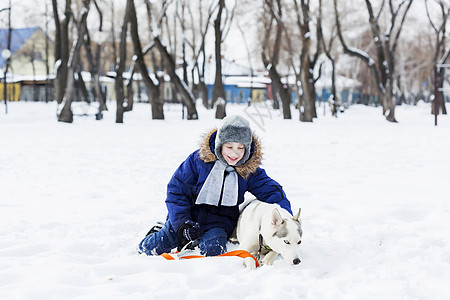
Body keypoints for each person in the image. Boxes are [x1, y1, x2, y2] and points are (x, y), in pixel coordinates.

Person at [138, 115, 292, 257]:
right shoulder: (198, 161)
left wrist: (286, 218)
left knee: (214, 251)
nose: (235, 153)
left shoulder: (248, 170)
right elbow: (177, 190)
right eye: (229, 147)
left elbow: (272, 191)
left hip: (219, 221)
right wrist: (181, 223)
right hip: (188, 216)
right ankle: (160, 230)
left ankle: (198, 241)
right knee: (151, 249)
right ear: (220, 144)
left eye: (240, 148)